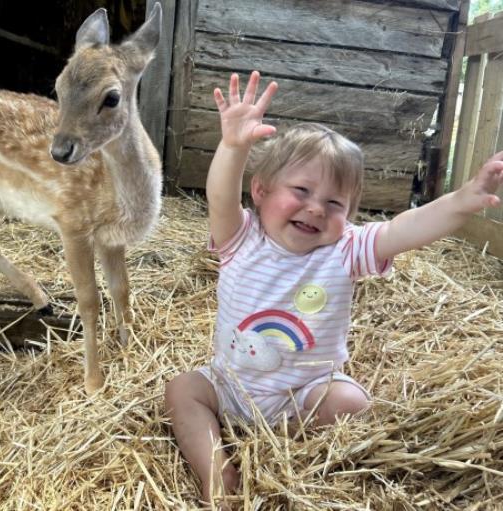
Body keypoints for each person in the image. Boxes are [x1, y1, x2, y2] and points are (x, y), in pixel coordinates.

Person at [164, 71, 503, 505]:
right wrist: (233, 147)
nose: (315, 208)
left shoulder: (345, 250)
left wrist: (462, 200)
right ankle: (218, 477)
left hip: (303, 394)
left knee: (353, 402)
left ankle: (282, 441)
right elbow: (220, 197)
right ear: (262, 191)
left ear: (350, 214)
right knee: (181, 389)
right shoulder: (239, 238)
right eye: (301, 190)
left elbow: (407, 228)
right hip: (230, 387)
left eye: (334, 203)